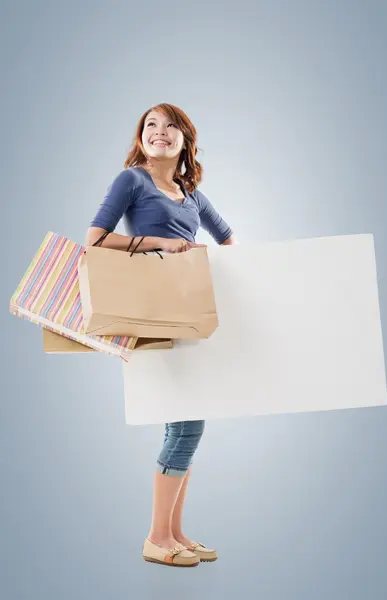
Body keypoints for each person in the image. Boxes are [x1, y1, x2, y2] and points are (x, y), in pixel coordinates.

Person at [85, 103, 235, 567]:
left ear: (186, 140)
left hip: (185, 316)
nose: (160, 132)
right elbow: (93, 239)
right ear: (141, 137)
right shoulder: (132, 179)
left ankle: (175, 532)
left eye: (171, 126)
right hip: (150, 315)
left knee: (185, 421)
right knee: (187, 424)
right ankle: (155, 537)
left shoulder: (191, 193)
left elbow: (228, 240)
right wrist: (160, 243)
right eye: (151, 124)